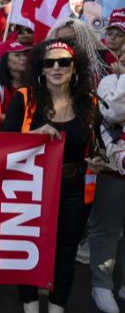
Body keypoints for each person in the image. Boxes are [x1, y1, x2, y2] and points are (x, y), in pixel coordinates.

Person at [1, 39, 106, 313]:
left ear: (75, 68)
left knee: (65, 251)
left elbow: (98, 146)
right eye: (50, 63)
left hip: (73, 186)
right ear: (41, 68)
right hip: (30, 185)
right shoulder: (24, 98)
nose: (56, 67)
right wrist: (34, 136)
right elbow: (2, 147)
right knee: (26, 246)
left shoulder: (89, 102)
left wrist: (98, 159)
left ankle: (57, 307)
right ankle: (31, 306)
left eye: (64, 62)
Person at [91, 59, 125, 313]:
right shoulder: (109, 82)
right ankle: (101, 285)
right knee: (107, 228)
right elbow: (113, 111)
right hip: (114, 169)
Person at [0, 41, 31, 119]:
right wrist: (20, 119)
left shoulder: (33, 82)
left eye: (25, 54)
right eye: (17, 55)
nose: (24, 58)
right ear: (4, 60)